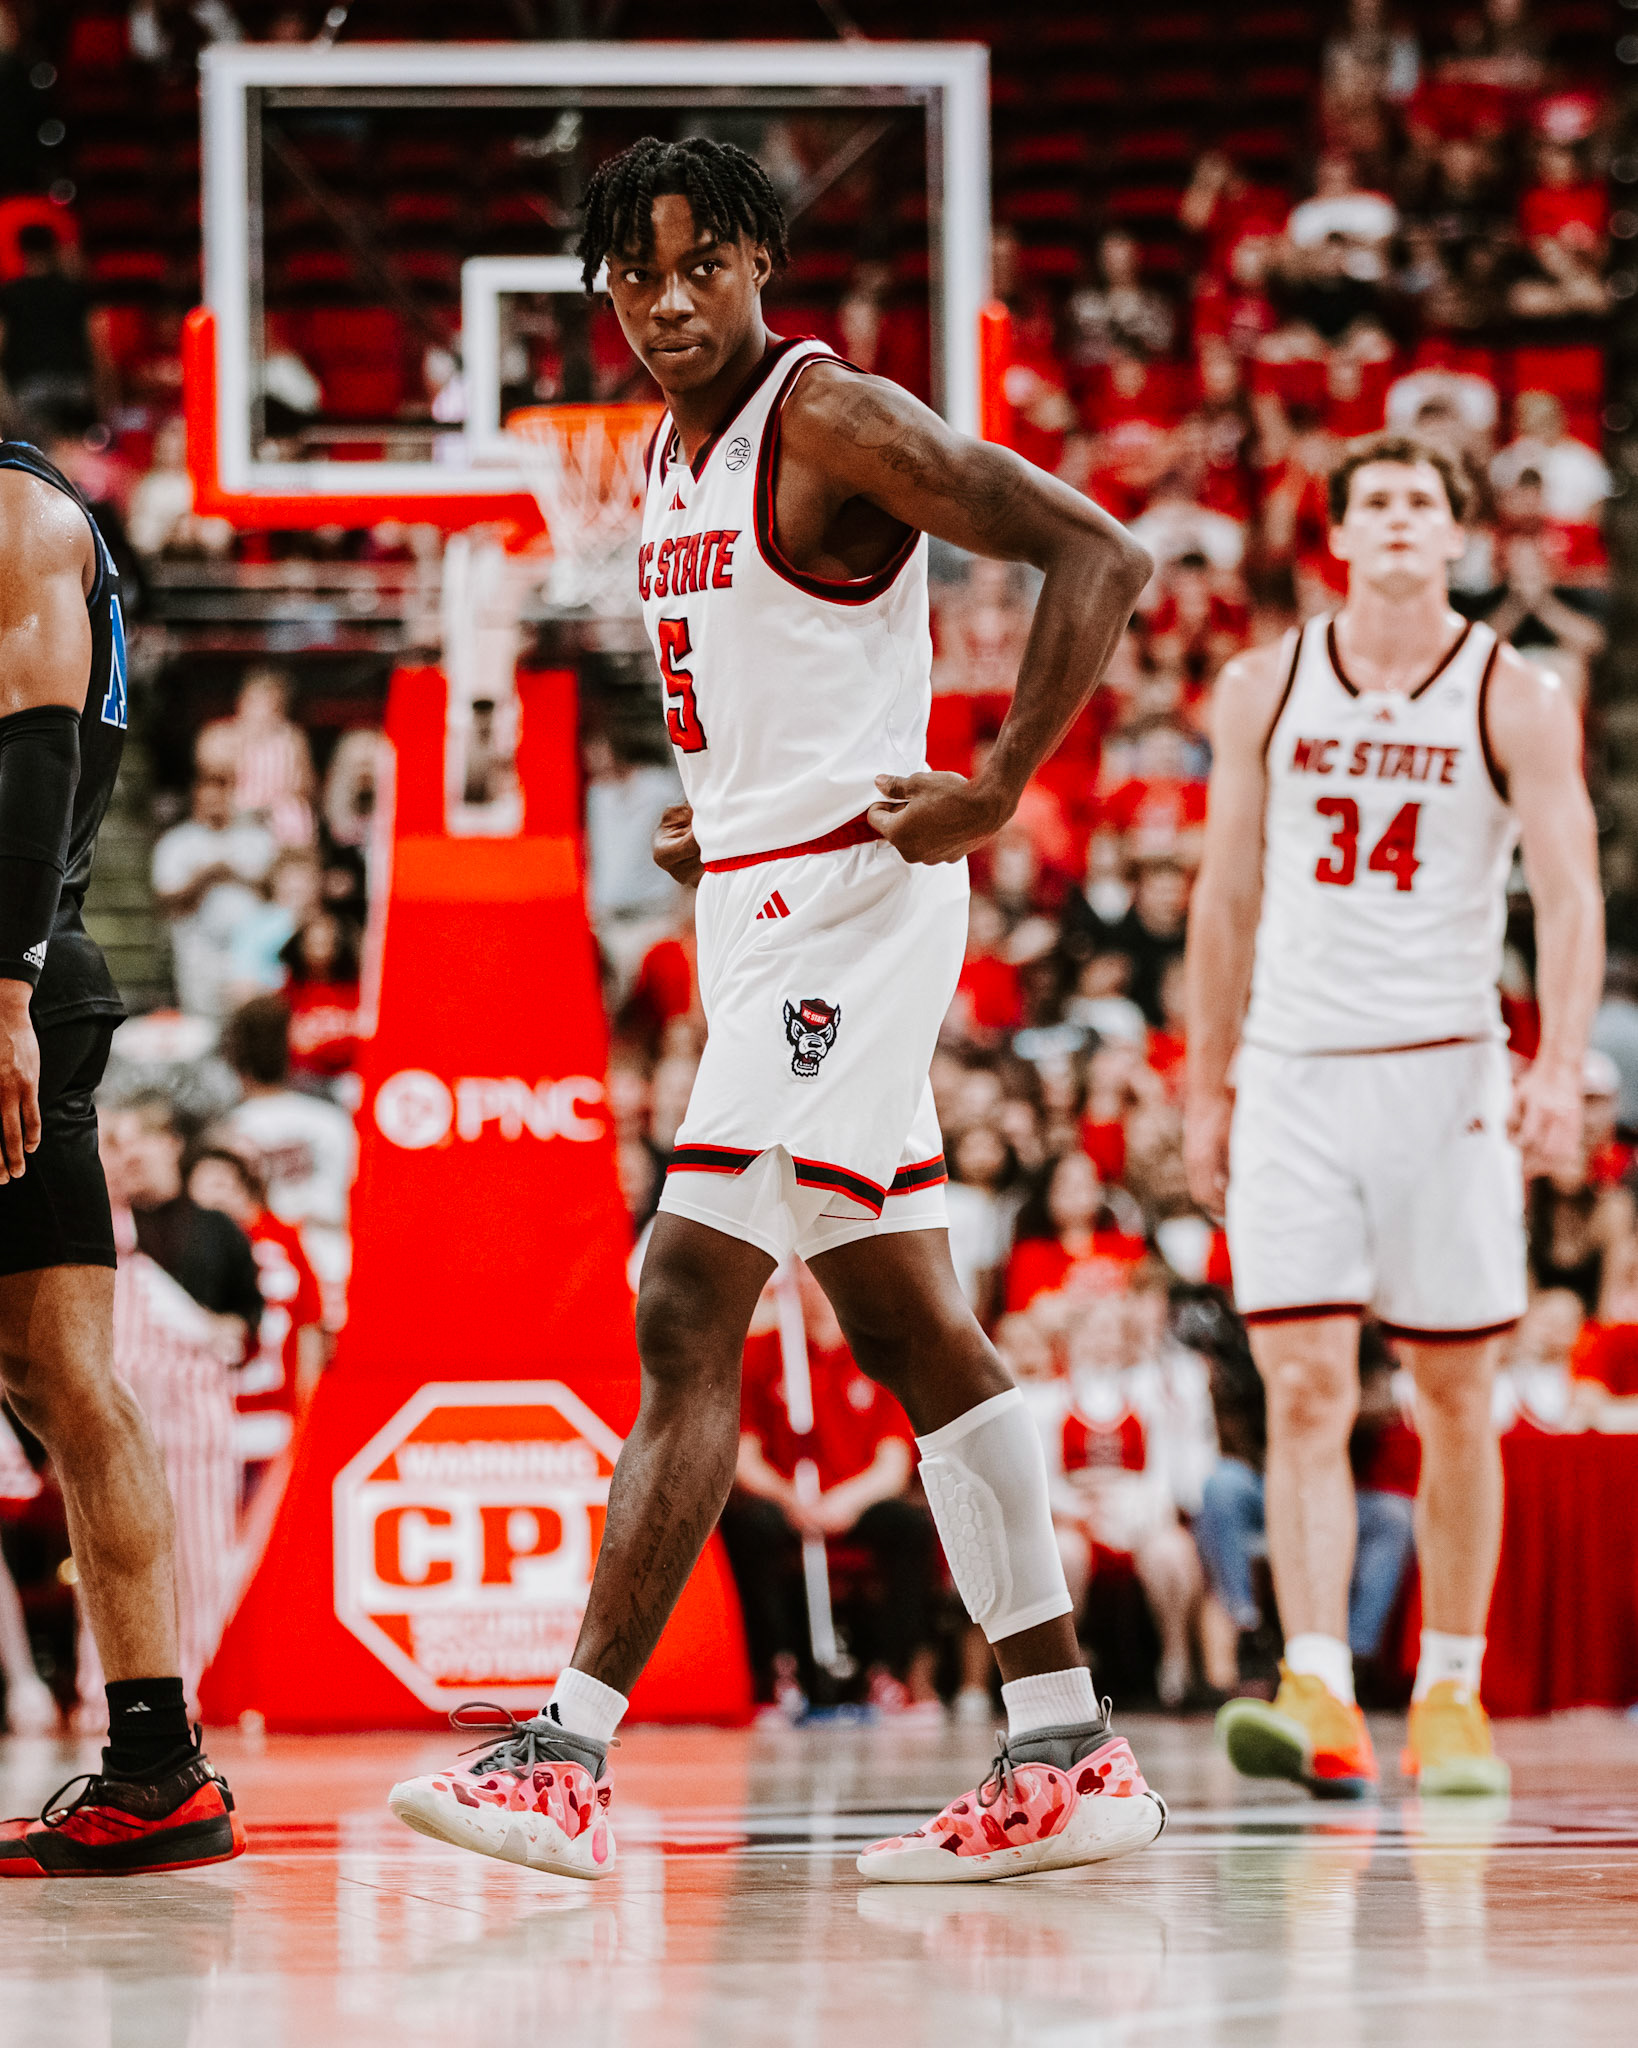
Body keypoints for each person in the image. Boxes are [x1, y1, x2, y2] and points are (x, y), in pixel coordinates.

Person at [389, 134, 1163, 1884]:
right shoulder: (670, 455)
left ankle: (564, 1756)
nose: (667, 299)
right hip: (761, 896)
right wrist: (717, 816)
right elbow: (780, 682)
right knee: (908, 1322)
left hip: (848, 904)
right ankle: (1066, 1746)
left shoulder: (830, 417)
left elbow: (1098, 553)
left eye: (701, 265)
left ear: (758, 266)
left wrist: (996, 784)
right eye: (636, 272)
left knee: (684, 1295)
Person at [1185, 431, 1602, 1798]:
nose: (1402, 519)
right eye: (1376, 501)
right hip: (1293, 1067)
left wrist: (1557, 1064)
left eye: (1424, 500)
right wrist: (1203, 1086)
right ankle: (1315, 1684)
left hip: (1444, 1068)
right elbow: (1224, 898)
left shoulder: (1515, 693)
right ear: (1339, 535)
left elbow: (1571, 894)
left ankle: (1449, 1691)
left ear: (1458, 533)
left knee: (1454, 1389)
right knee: (1303, 1385)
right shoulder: (1262, 685)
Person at [0, 438, 242, 1874]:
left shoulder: (15, 514)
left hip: (14, 993)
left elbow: (36, 759)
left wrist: (2, 993)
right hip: (37, 990)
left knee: (71, 1383)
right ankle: (157, 1766)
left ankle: (159, 1760)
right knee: (61, 1377)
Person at [151, 737, 276, 1020]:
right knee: (203, 1029)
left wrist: (234, 874)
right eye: (208, 789)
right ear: (197, 794)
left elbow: (276, 895)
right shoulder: (176, 842)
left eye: (222, 788)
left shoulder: (258, 839)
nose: (215, 798)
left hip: (252, 958)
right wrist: (204, 879)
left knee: (249, 1029)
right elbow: (166, 901)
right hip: (198, 956)